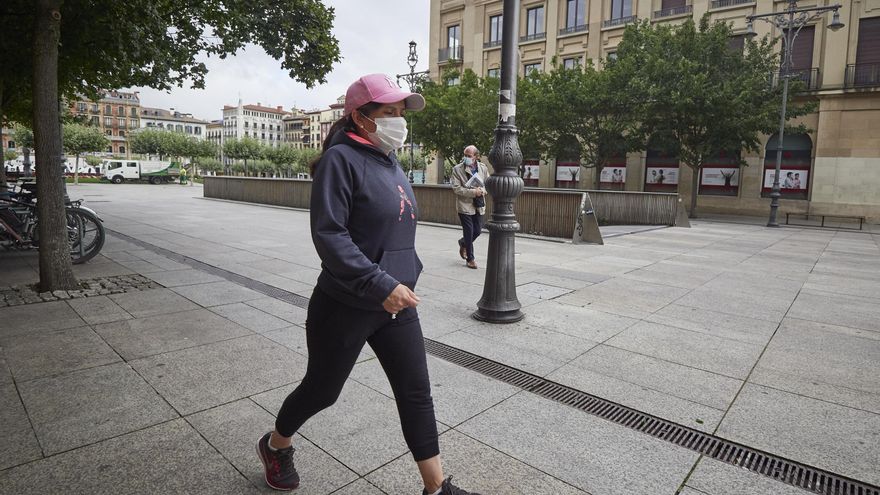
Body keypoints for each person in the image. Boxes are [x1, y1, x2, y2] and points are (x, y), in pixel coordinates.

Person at [255, 74, 480, 495]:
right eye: (389, 112)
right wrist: (379, 283)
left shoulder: (390, 161)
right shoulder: (340, 160)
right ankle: (275, 444)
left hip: (396, 303)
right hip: (346, 304)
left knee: (416, 392)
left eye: (401, 112)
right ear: (360, 117)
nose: (399, 120)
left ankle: (436, 489)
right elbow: (330, 235)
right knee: (322, 391)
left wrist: (402, 277)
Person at [451, 145, 489, 269]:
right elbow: (456, 188)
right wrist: (473, 192)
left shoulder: (483, 168)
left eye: (469, 156)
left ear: (476, 157)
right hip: (464, 205)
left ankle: (463, 243)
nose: (466, 158)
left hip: (478, 204)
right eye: (465, 155)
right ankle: (470, 259)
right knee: (469, 231)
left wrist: (482, 191)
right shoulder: (457, 169)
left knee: (477, 231)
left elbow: (487, 184)